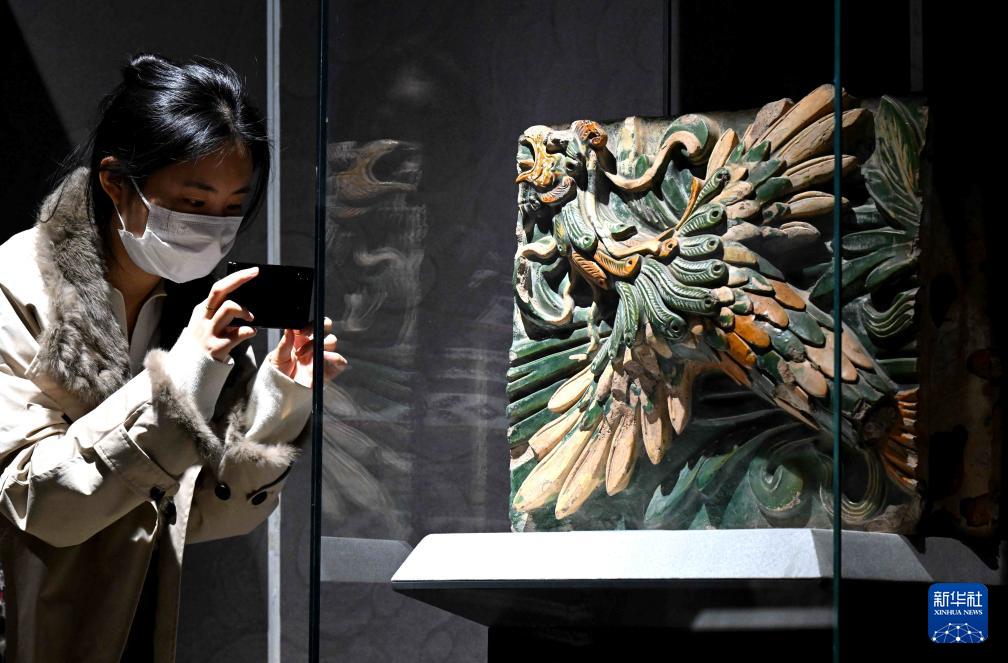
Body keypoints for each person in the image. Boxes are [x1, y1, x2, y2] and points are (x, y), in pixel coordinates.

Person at [0, 52, 346, 662]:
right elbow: (38, 504)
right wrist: (181, 379)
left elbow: (208, 514)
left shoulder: (196, 307)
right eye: (193, 202)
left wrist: (278, 398)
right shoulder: (18, 285)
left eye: (233, 206)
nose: (213, 228)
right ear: (116, 182)